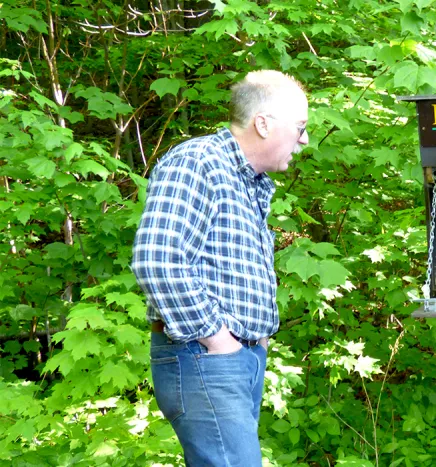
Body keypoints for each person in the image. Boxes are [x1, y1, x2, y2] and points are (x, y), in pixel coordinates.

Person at [131, 70, 309, 466]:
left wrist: (254, 343)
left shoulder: (250, 181)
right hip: (204, 356)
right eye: (300, 127)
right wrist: (217, 340)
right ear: (263, 123)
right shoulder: (198, 163)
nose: (305, 139)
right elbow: (157, 259)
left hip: (234, 359)